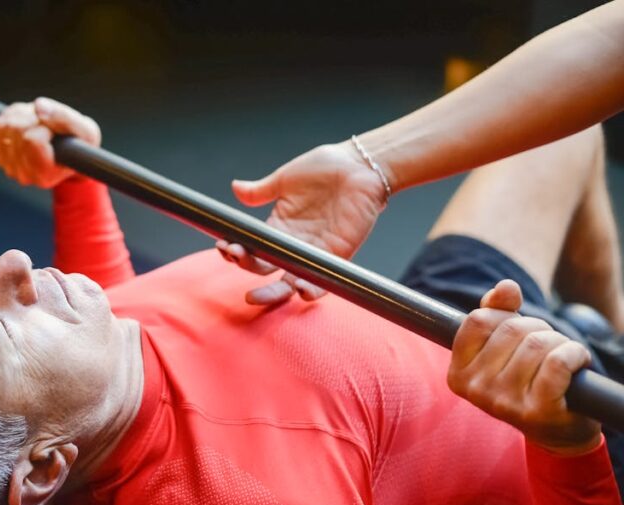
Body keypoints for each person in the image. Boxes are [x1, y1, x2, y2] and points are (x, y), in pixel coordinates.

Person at [0, 98, 624, 505]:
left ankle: (604, 332)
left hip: (438, 326)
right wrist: (564, 441)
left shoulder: (91, 379)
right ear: (43, 470)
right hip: (537, 427)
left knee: (566, 133)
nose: (10, 266)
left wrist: (76, 180)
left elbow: (124, 308)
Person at [217, 0, 624, 310]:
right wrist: (369, 166)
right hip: (466, 348)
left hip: (529, 401)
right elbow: (611, 42)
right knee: (569, 138)